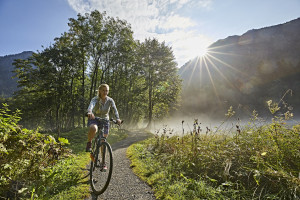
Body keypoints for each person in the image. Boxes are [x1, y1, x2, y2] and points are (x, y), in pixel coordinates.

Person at [86, 84, 121, 153]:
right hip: (94, 118)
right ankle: (89, 143)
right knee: (93, 128)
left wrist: (118, 118)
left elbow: (115, 109)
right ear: (99, 91)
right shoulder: (95, 99)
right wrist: (90, 112)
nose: (105, 92)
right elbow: (91, 105)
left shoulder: (110, 100)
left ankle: (103, 161)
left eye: (106, 91)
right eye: (103, 90)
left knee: (103, 141)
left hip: (105, 119)